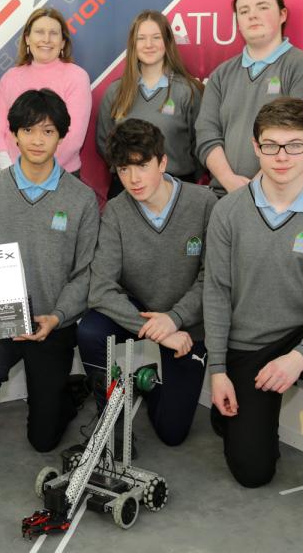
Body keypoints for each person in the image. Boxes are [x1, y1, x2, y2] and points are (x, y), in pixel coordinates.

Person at [204, 97, 303, 521]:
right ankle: (242, 427)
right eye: (272, 145)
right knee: (253, 473)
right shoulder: (227, 213)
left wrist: (299, 359)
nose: (282, 157)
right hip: (248, 340)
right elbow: (217, 292)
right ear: (256, 147)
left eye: (293, 145)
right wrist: (217, 370)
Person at [0, 89, 99, 476]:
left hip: (52, 324)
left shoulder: (82, 199)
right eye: (29, 130)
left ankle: (67, 392)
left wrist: (58, 316)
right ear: (14, 135)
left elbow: (86, 272)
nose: (37, 140)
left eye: (48, 131)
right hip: (2, 319)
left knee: (44, 441)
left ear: (61, 137)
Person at [80, 119, 215, 447]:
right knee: (89, 330)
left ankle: (144, 379)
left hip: (185, 328)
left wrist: (174, 320)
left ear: (163, 162)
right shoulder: (115, 212)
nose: (133, 179)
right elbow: (101, 288)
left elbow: (212, 280)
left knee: (171, 433)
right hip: (139, 318)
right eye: (124, 169)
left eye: (142, 166)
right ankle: (111, 415)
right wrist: (155, 330)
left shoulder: (204, 203)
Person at [195, 0, 303, 196]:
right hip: (224, 196)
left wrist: (252, 189)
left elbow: (301, 139)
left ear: (283, 14)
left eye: (263, 7)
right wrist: (229, 181)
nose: (252, 15)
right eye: (244, 10)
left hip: (282, 199)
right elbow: (206, 134)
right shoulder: (221, 74)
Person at [96, 10, 204, 199]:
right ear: (133, 44)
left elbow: (200, 144)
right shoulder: (116, 92)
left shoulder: (188, 91)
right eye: (141, 38)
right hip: (127, 191)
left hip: (177, 191)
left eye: (156, 37)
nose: (149, 45)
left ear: (167, 42)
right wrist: (131, 173)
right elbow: (105, 142)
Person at [0, 8, 92, 175]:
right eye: (39, 32)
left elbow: (73, 137)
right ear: (27, 39)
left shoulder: (77, 77)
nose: (46, 39)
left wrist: (36, 173)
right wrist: (10, 170)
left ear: (63, 42)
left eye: (54, 33)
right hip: (12, 175)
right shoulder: (10, 78)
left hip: (61, 176)